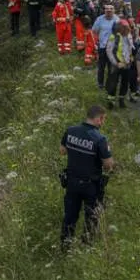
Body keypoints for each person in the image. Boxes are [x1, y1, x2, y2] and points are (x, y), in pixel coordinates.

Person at [60, 105, 114, 247]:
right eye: (103, 120)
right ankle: (86, 245)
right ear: (99, 118)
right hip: (91, 185)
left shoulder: (70, 131)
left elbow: (62, 151)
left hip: (71, 182)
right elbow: (108, 165)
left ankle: (66, 246)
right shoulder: (100, 139)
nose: (102, 123)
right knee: (91, 217)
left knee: (70, 216)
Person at [106, 21, 134, 108]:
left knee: (125, 83)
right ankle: (111, 101)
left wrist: (130, 58)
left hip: (126, 64)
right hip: (116, 64)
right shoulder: (113, 37)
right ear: (120, 28)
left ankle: (121, 100)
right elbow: (109, 51)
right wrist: (116, 63)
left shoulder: (129, 36)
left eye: (127, 27)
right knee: (113, 83)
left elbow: (130, 48)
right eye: (125, 27)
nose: (127, 29)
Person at [91, 4, 118, 88]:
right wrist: (99, 39)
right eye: (107, 9)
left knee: (111, 67)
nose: (109, 10)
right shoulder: (100, 19)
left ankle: (109, 84)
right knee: (101, 66)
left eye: (111, 9)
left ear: (114, 10)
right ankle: (100, 83)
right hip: (102, 46)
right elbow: (94, 31)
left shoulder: (117, 19)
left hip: (113, 48)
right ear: (104, 10)